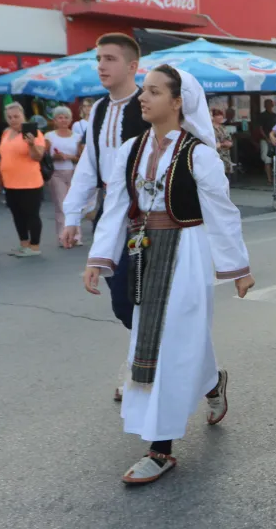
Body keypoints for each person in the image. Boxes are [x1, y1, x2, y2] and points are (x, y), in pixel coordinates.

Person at [83, 65, 254, 485]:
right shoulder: (130, 150)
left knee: (171, 341)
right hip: (143, 252)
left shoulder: (199, 154)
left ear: (177, 102)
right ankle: (212, 382)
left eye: (154, 91)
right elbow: (115, 208)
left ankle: (160, 449)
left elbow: (222, 213)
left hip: (187, 254)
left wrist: (238, 268)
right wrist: (98, 258)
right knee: (167, 337)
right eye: (144, 90)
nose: (143, 97)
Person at [61, 33, 149, 400]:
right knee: (122, 301)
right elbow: (89, 164)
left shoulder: (148, 104)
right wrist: (72, 215)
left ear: (132, 66)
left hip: (144, 218)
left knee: (138, 298)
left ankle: (140, 365)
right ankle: (153, 359)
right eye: (98, 59)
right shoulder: (97, 109)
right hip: (107, 216)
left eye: (110, 58)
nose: (101, 66)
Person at [0, 102, 45, 257]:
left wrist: (31, 144)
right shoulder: (6, 132)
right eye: (10, 117)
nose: (13, 120)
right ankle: (24, 244)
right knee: (17, 214)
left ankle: (34, 246)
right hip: (10, 182)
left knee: (31, 214)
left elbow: (37, 156)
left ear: (23, 116)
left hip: (29, 182)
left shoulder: (34, 133)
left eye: (16, 116)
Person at [45, 107, 81, 246]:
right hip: (56, 173)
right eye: (60, 117)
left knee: (74, 204)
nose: (63, 120)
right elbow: (45, 156)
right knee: (61, 205)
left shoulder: (76, 136)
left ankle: (76, 236)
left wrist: (69, 157)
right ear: (55, 120)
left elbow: (80, 157)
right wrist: (55, 157)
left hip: (73, 173)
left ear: (71, 120)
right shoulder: (49, 136)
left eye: (66, 117)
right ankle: (63, 236)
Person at [256, 99, 276, 184]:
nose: (269, 106)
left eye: (270, 104)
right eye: (267, 104)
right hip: (265, 140)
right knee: (267, 159)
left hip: (275, 139)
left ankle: (275, 177)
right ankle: (269, 178)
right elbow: (260, 128)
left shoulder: (275, 115)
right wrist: (266, 138)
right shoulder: (262, 116)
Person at [212, 108, 233, 174]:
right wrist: (222, 144)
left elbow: (230, 142)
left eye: (221, 115)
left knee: (227, 176)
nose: (221, 117)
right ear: (213, 117)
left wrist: (223, 144)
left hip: (225, 157)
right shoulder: (210, 128)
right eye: (218, 115)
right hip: (215, 157)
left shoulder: (223, 128)